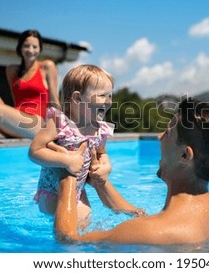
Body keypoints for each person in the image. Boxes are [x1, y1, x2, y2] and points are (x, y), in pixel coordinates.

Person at [54, 98, 209, 245]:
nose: (160, 137)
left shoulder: (149, 232)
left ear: (185, 155)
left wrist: (69, 172)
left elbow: (69, 240)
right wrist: (100, 183)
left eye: (167, 133)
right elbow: (144, 218)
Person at [28, 64, 143, 222]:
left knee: (86, 220)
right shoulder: (59, 122)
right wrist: (67, 160)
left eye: (110, 95)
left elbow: (102, 153)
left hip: (79, 190)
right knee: (64, 227)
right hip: (52, 192)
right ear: (77, 98)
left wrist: (105, 166)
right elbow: (35, 151)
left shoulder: (100, 129)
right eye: (102, 95)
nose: (108, 101)